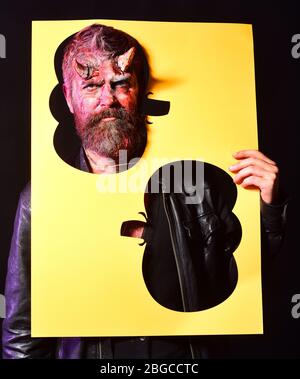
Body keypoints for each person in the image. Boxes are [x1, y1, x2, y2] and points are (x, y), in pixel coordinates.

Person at [2, 24, 287, 359]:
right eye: (91, 85)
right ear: (67, 97)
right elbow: (22, 337)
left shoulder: (193, 182)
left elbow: (244, 280)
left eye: (121, 83)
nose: (108, 98)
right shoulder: (42, 201)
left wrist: (270, 208)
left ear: (140, 90)